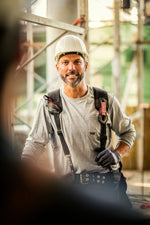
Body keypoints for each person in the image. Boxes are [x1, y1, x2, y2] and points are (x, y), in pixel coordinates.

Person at [22, 34, 136, 206]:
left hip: (107, 190)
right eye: (65, 62)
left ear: (86, 65)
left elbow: (128, 132)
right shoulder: (49, 104)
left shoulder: (104, 100)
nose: (71, 68)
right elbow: (35, 143)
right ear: (57, 67)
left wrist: (117, 153)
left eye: (77, 62)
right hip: (68, 191)